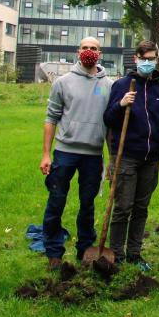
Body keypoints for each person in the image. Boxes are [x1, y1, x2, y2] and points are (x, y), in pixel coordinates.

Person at [39, 37, 112, 270]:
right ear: (77, 51)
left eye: (94, 48)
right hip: (65, 152)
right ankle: (53, 252)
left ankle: (85, 250)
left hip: (93, 155)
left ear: (100, 53)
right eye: (85, 48)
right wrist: (46, 154)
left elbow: (111, 125)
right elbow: (51, 118)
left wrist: (110, 160)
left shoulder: (108, 85)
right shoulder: (63, 82)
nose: (89, 51)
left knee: (87, 204)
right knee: (56, 201)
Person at [102, 40, 159, 270]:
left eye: (152, 59)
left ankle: (134, 253)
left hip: (151, 158)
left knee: (141, 208)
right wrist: (121, 104)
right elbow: (108, 120)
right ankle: (117, 254)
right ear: (136, 59)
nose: (148, 63)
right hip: (127, 156)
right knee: (123, 207)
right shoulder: (122, 85)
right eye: (144, 59)